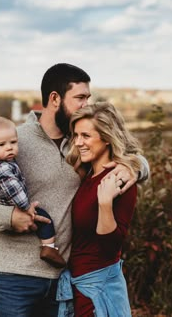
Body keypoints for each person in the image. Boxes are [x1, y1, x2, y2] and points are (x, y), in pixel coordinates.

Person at [0, 63, 149, 317]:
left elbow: (124, 152)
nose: (86, 105)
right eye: (80, 98)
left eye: (88, 98)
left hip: (63, 282)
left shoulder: (81, 143)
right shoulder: (13, 140)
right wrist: (9, 217)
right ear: (55, 98)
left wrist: (136, 168)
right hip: (15, 277)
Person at [58, 102, 143, 316]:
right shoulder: (87, 175)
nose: (78, 143)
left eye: (86, 136)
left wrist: (105, 204)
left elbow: (111, 246)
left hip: (99, 290)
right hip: (79, 286)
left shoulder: (119, 180)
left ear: (106, 138)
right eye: (75, 135)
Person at [0, 116, 66, 268]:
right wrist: (27, 207)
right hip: (13, 204)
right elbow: (17, 195)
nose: (9, 147)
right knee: (45, 219)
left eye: (13, 142)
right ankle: (49, 248)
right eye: (2, 144)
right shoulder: (5, 169)